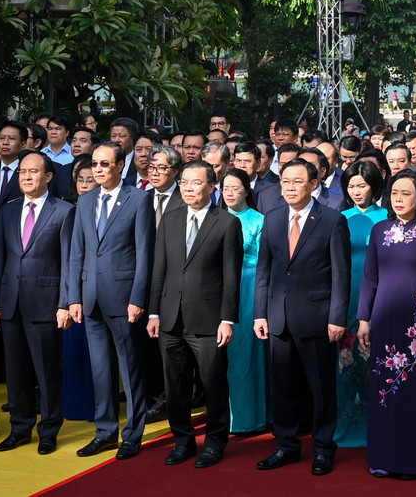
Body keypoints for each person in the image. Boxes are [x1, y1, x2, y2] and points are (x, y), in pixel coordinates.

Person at [254, 158, 351, 475]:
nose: (290, 187)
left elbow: (340, 275)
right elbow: (264, 272)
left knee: (321, 388)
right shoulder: (272, 219)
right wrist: (260, 314)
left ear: (313, 184)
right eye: (285, 181)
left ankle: (323, 448)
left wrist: (337, 317)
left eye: (297, 181)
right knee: (283, 387)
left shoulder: (333, 221)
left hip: (318, 318)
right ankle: (286, 446)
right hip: (278, 317)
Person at [147, 160, 243, 469]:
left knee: (213, 384)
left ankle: (215, 442)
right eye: (184, 182)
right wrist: (153, 313)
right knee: (175, 385)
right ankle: (183, 441)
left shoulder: (227, 223)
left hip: (209, 318)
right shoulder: (170, 219)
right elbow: (159, 270)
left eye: (196, 182)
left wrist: (227, 319)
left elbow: (232, 276)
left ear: (211, 187)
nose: (188, 187)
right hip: (169, 317)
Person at [355, 169, 416, 478]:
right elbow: (370, 277)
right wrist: (363, 319)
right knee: (384, 390)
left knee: (415, 393)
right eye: (395, 193)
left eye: (406, 193)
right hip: (383, 318)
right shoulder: (379, 230)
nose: (398, 199)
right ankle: (384, 458)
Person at [67, 142, 155, 460]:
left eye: (105, 164)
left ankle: (133, 434)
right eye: (95, 164)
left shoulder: (139, 199)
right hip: (90, 299)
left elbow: (145, 254)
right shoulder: (86, 200)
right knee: (101, 371)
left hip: (124, 299)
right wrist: (72, 298)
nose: (98, 169)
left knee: (130, 371)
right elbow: (77, 252)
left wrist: (137, 298)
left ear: (120, 165)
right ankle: (105, 432)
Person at [0, 151, 75, 454]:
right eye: (22, 171)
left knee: (47, 372)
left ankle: (49, 430)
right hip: (10, 303)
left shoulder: (64, 211)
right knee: (16, 372)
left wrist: (65, 303)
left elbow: (68, 262)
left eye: (33, 171)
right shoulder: (8, 210)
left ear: (48, 177)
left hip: (46, 303)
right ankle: (20, 428)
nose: (26, 176)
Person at [337, 159, 388, 448]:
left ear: (374, 185)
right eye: (351, 186)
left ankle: (380, 425)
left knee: (378, 363)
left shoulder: (388, 216)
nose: (356, 191)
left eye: (362, 185)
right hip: (347, 295)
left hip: (382, 295)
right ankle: (348, 428)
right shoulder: (339, 217)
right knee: (346, 366)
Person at [219, 167, 268, 434]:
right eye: (225, 188)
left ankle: (250, 416)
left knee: (245, 355)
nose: (229, 193)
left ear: (246, 190)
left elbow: (264, 263)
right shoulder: (214, 218)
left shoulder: (259, 220)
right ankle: (222, 416)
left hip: (248, 290)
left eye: (235, 188)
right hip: (217, 290)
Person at [61, 157, 97, 423]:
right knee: (73, 350)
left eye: (90, 179)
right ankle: (75, 405)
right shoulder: (68, 209)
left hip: (97, 287)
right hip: (72, 287)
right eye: (80, 179)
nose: (84, 184)